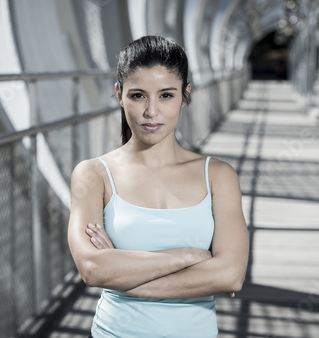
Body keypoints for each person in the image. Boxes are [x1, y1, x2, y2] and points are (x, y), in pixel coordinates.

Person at [67, 35, 249, 337]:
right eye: (138, 95)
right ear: (119, 94)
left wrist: (122, 274)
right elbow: (92, 268)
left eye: (166, 95)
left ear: (185, 95)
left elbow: (230, 275)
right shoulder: (93, 174)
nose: (152, 111)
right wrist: (190, 256)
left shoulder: (218, 175)